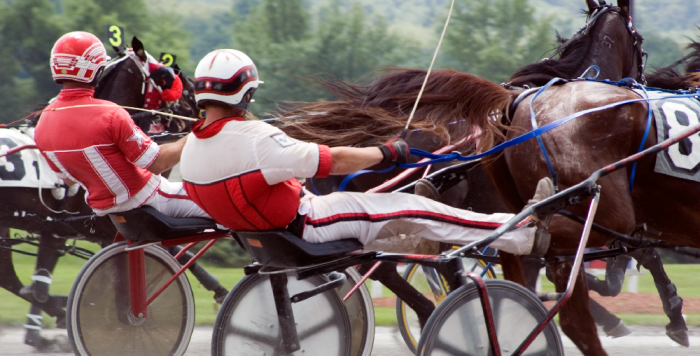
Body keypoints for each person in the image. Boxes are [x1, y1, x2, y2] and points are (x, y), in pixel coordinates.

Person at [180, 49, 554, 256]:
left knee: (391, 213)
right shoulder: (257, 139)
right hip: (307, 226)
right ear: (247, 94)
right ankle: (518, 233)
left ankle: (421, 238)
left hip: (269, 231)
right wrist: (389, 152)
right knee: (413, 207)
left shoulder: (192, 149)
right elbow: (334, 161)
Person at [34, 31, 208, 219]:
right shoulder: (111, 114)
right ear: (97, 70)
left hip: (105, 209)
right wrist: (198, 132)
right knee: (225, 204)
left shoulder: (42, 122)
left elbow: (67, 179)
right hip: (148, 198)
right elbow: (157, 163)